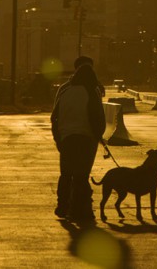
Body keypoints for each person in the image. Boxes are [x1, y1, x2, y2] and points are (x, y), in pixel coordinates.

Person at [51, 59, 106, 222]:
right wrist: (99, 137)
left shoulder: (65, 91)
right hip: (86, 139)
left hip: (67, 139)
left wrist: (58, 138)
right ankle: (80, 210)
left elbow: (54, 117)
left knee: (66, 174)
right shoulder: (91, 91)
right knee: (81, 176)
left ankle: (62, 206)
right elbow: (98, 117)